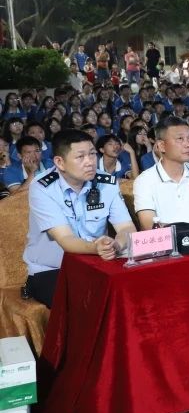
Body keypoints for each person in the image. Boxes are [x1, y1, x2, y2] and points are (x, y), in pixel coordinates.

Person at [23, 129, 135, 307]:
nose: (89, 162)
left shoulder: (106, 183)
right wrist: (96, 248)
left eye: (92, 154)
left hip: (97, 263)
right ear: (60, 162)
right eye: (80, 157)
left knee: (134, 292)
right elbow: (66, 239)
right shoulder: (43, 188)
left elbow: (127, 228)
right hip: (53, 270)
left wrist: (116, 245)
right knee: (89, 302)